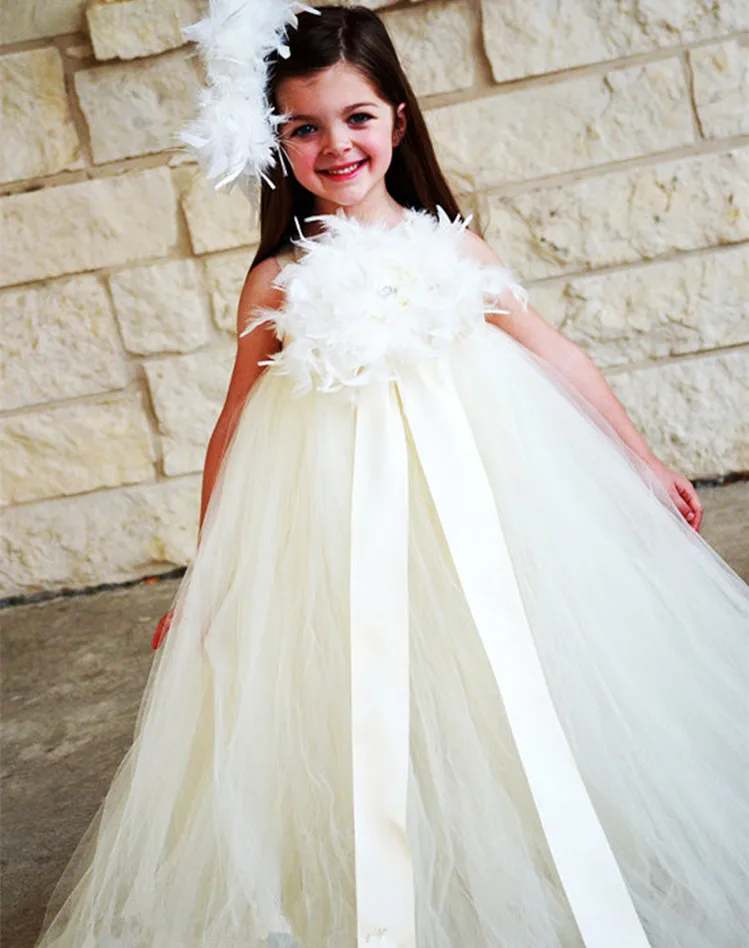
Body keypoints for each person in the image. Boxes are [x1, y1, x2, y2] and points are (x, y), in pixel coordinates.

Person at [35, 4, 748, 948]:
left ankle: (513, 837)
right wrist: (209, 573)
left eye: (357, 116)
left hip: (482, 506)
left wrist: (640, 457)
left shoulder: (451, 245)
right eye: (304, 126)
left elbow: (555, 352)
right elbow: (236, 420)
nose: (336, 144)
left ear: (398, 120)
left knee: (496, 672)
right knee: (363, 684)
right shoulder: (279, 280)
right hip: (332, 518)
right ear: (274, 141)